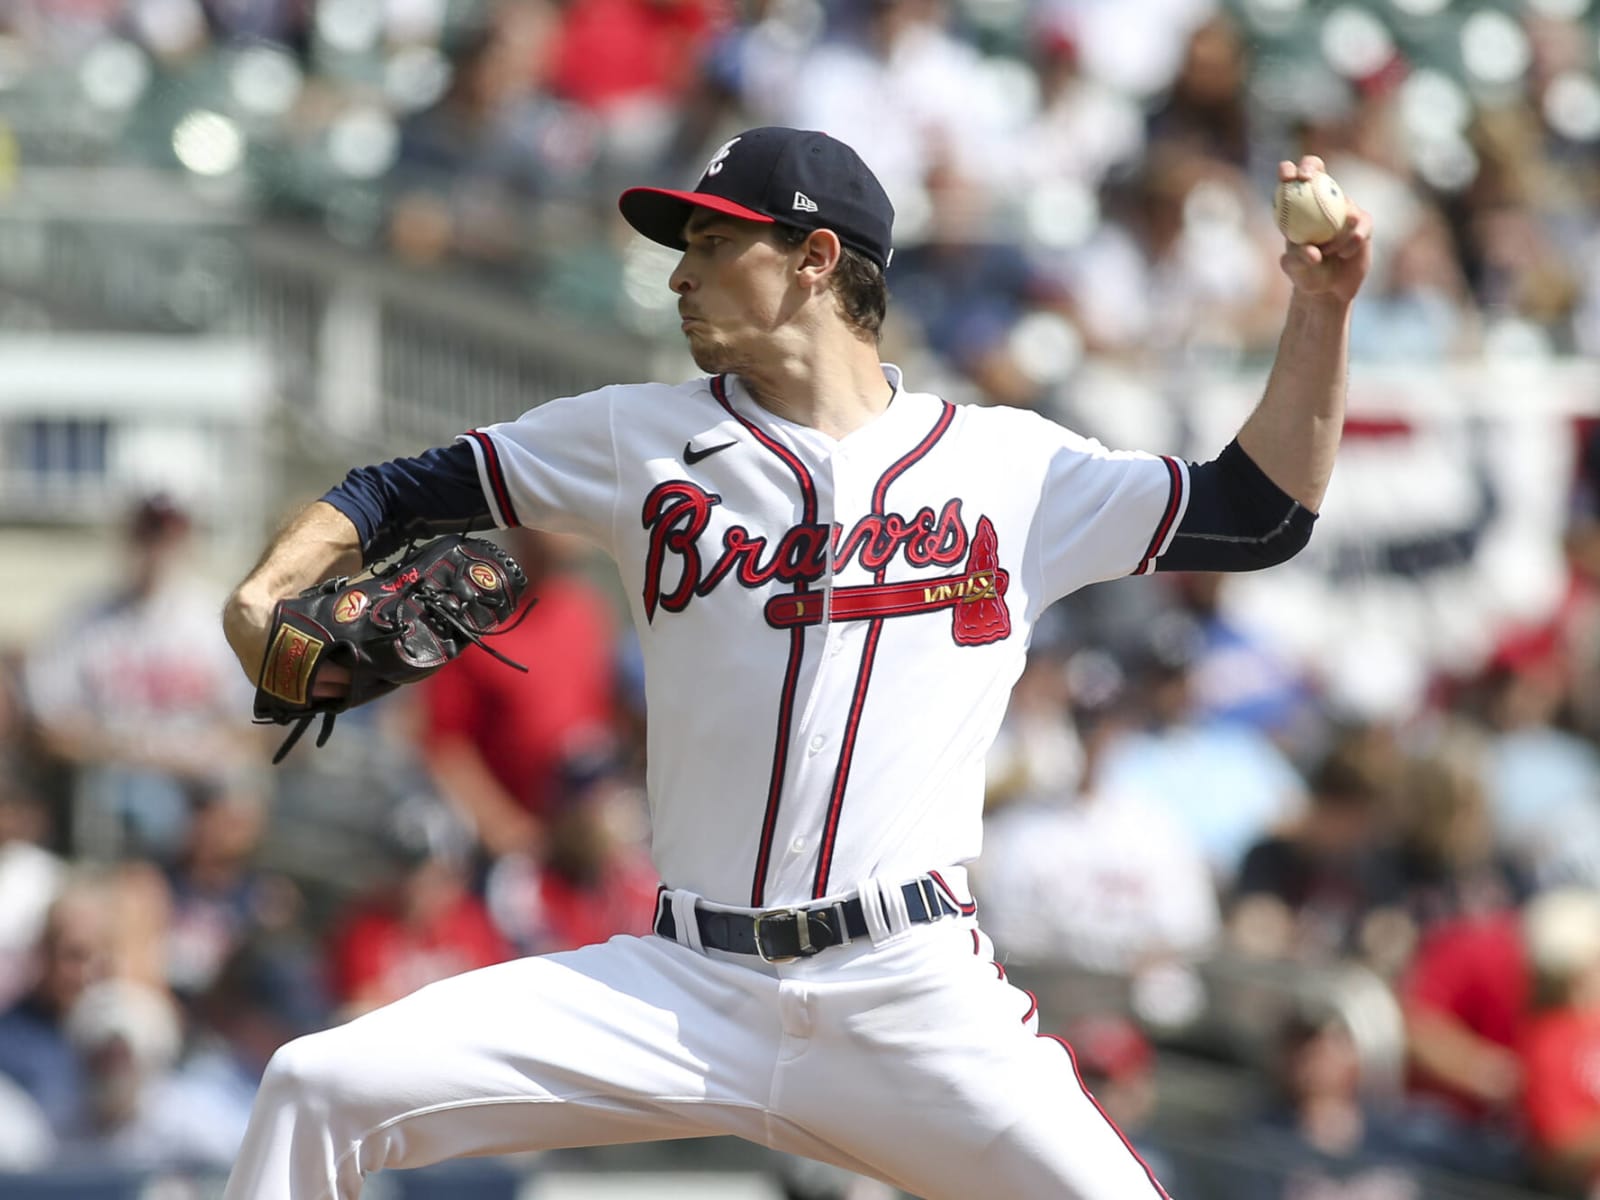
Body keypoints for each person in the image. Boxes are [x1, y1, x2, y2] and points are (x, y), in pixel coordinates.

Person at [218, 125, 1372, 1199]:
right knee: (317, 1089)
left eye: (714, 243)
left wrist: (1318, 314)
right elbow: (391, 492)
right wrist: (265, 593)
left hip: (909, 997)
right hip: (681, 985)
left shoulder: (1010, 468)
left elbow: (1256, 514)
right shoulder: (640, 435)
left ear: (816, 257)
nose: (680, 273)